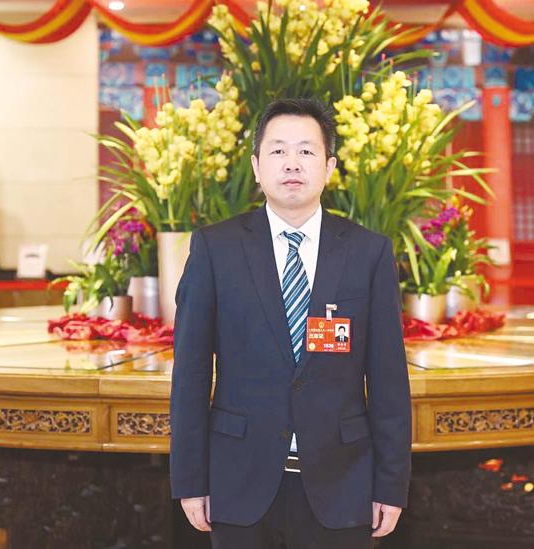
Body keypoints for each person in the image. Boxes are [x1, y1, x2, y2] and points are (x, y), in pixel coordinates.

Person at [170, 98, 412, 549]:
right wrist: (190, 479)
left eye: (306, 151)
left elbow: (389, 381)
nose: (292, 163)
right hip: (238, 480)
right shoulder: (215, 249)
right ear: (256, 166)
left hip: (342, 483)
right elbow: (190, 374)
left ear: (329, 166)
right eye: (278, 150)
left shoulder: (369, 253)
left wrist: (390, 485)